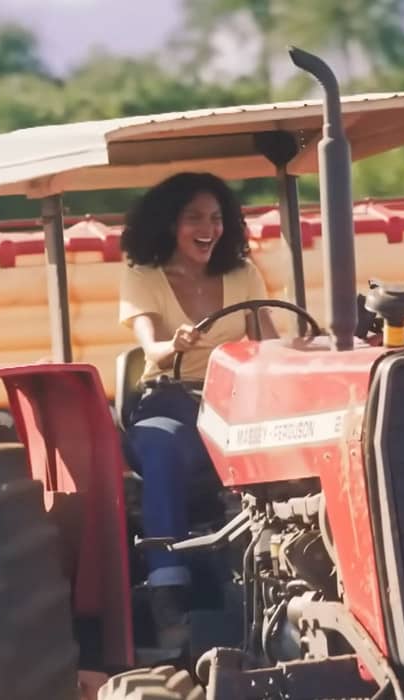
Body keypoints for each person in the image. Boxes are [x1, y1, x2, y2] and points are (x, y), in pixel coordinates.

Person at [117, 171, 276, 647]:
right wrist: (174, 341)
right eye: (194, 218)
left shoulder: (242, 274)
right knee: (161, 446)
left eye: (216, 217)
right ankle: (167, 585)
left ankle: (275, 569)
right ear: (170, 225)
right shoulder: (143, 277)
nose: (208, 228)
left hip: (235, 396)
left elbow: (267, 336)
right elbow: (151, 349)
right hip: (170, 397)